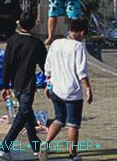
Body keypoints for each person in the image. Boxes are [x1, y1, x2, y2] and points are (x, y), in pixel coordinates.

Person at [41, 19, 93, 161]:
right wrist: (87, 88)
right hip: (72, 91)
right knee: (73, 124)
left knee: (58, 119)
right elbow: (81, 71)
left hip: (56, 89)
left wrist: (48, 84)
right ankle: (73, 154)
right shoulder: (78, 47)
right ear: (81, 33)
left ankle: (45, 145)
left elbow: (48, 66)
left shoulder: (56, 43)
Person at [0, 10, 46, 160]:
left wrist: (5, 85)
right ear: (33, 25)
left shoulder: (12, 41)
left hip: (15, 84)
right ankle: (5, 147)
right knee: (22, 116)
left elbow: (6, 64)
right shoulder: (36, 43)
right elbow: (45, 65)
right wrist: (50, 81)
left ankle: (36, 147)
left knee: (27, 115)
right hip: (28, 84)